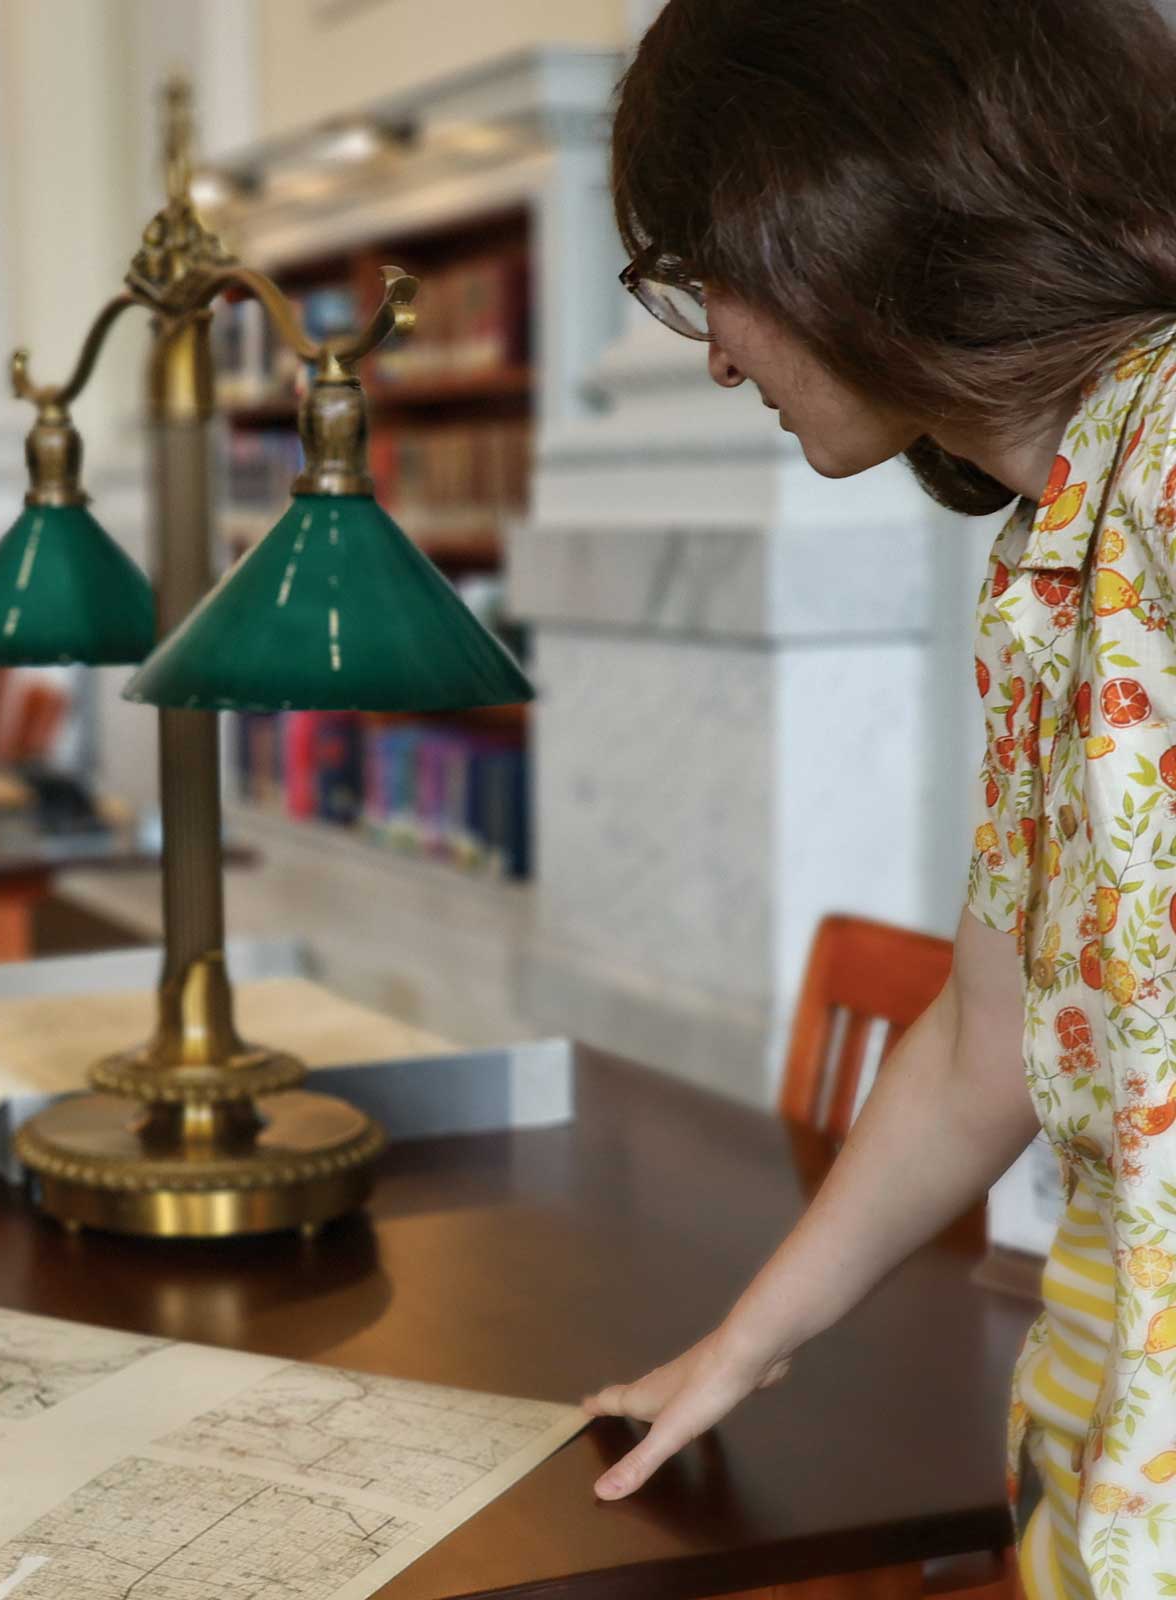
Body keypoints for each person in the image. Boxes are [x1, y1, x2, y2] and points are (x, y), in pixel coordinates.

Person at [582, 2, 1176, 1593]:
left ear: (838, 214)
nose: (711, 352)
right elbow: (991, 1042)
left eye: (706, 274)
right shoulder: (1050, 552)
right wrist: (744, 1344)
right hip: (1104, 1416)